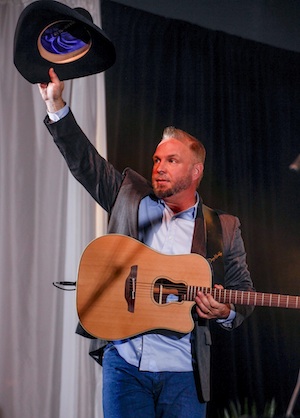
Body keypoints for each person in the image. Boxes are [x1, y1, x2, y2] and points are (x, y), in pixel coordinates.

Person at [39, 68, 255, 418]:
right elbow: (85, 164)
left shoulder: (224, 227)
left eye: (172, 160)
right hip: (125, 365)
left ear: (195, 172)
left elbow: (242, 290)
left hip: (184, 375)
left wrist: (226, 311)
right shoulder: (129, 195)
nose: (159, 167)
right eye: (157, 159)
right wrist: (56, 105)